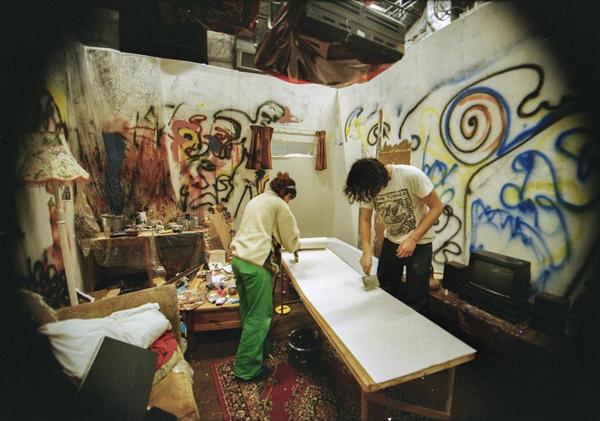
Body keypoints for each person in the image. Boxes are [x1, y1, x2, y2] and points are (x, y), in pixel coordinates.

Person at [344, 158, 443, 310]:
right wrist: (366, 252)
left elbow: (437, 207)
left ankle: (411, 323)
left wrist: (413, 238)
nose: (371, 195)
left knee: (416, 297)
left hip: (420, 243)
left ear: (382, 180)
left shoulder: (411, 175)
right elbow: (365, 220)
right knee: (385, 289)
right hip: (391, 240)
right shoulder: (367, 185)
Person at [229, 171, 301, 381]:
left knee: (249, 311)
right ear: (285, 194)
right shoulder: (279, 204)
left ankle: (258, 347)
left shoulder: (257, 200)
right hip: (255, 264)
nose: (289, 202)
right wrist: (296, 247)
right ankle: (247, 369)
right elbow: (290, 237)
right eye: (289, 198)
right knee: (260, 318)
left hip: (239, 260)